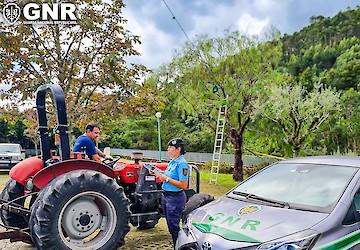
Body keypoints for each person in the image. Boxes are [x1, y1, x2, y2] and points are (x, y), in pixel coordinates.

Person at [154, 138, 189, 246]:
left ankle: (179, 246)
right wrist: (159, 174)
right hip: (166, 196)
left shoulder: (182, 164)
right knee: (170, 225)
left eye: (170, 147)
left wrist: (166, 179)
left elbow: (184, 185)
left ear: (178, 149)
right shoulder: (172, 161)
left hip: (175, 198)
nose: (168, 149)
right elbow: (167, 176)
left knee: (174, 227)